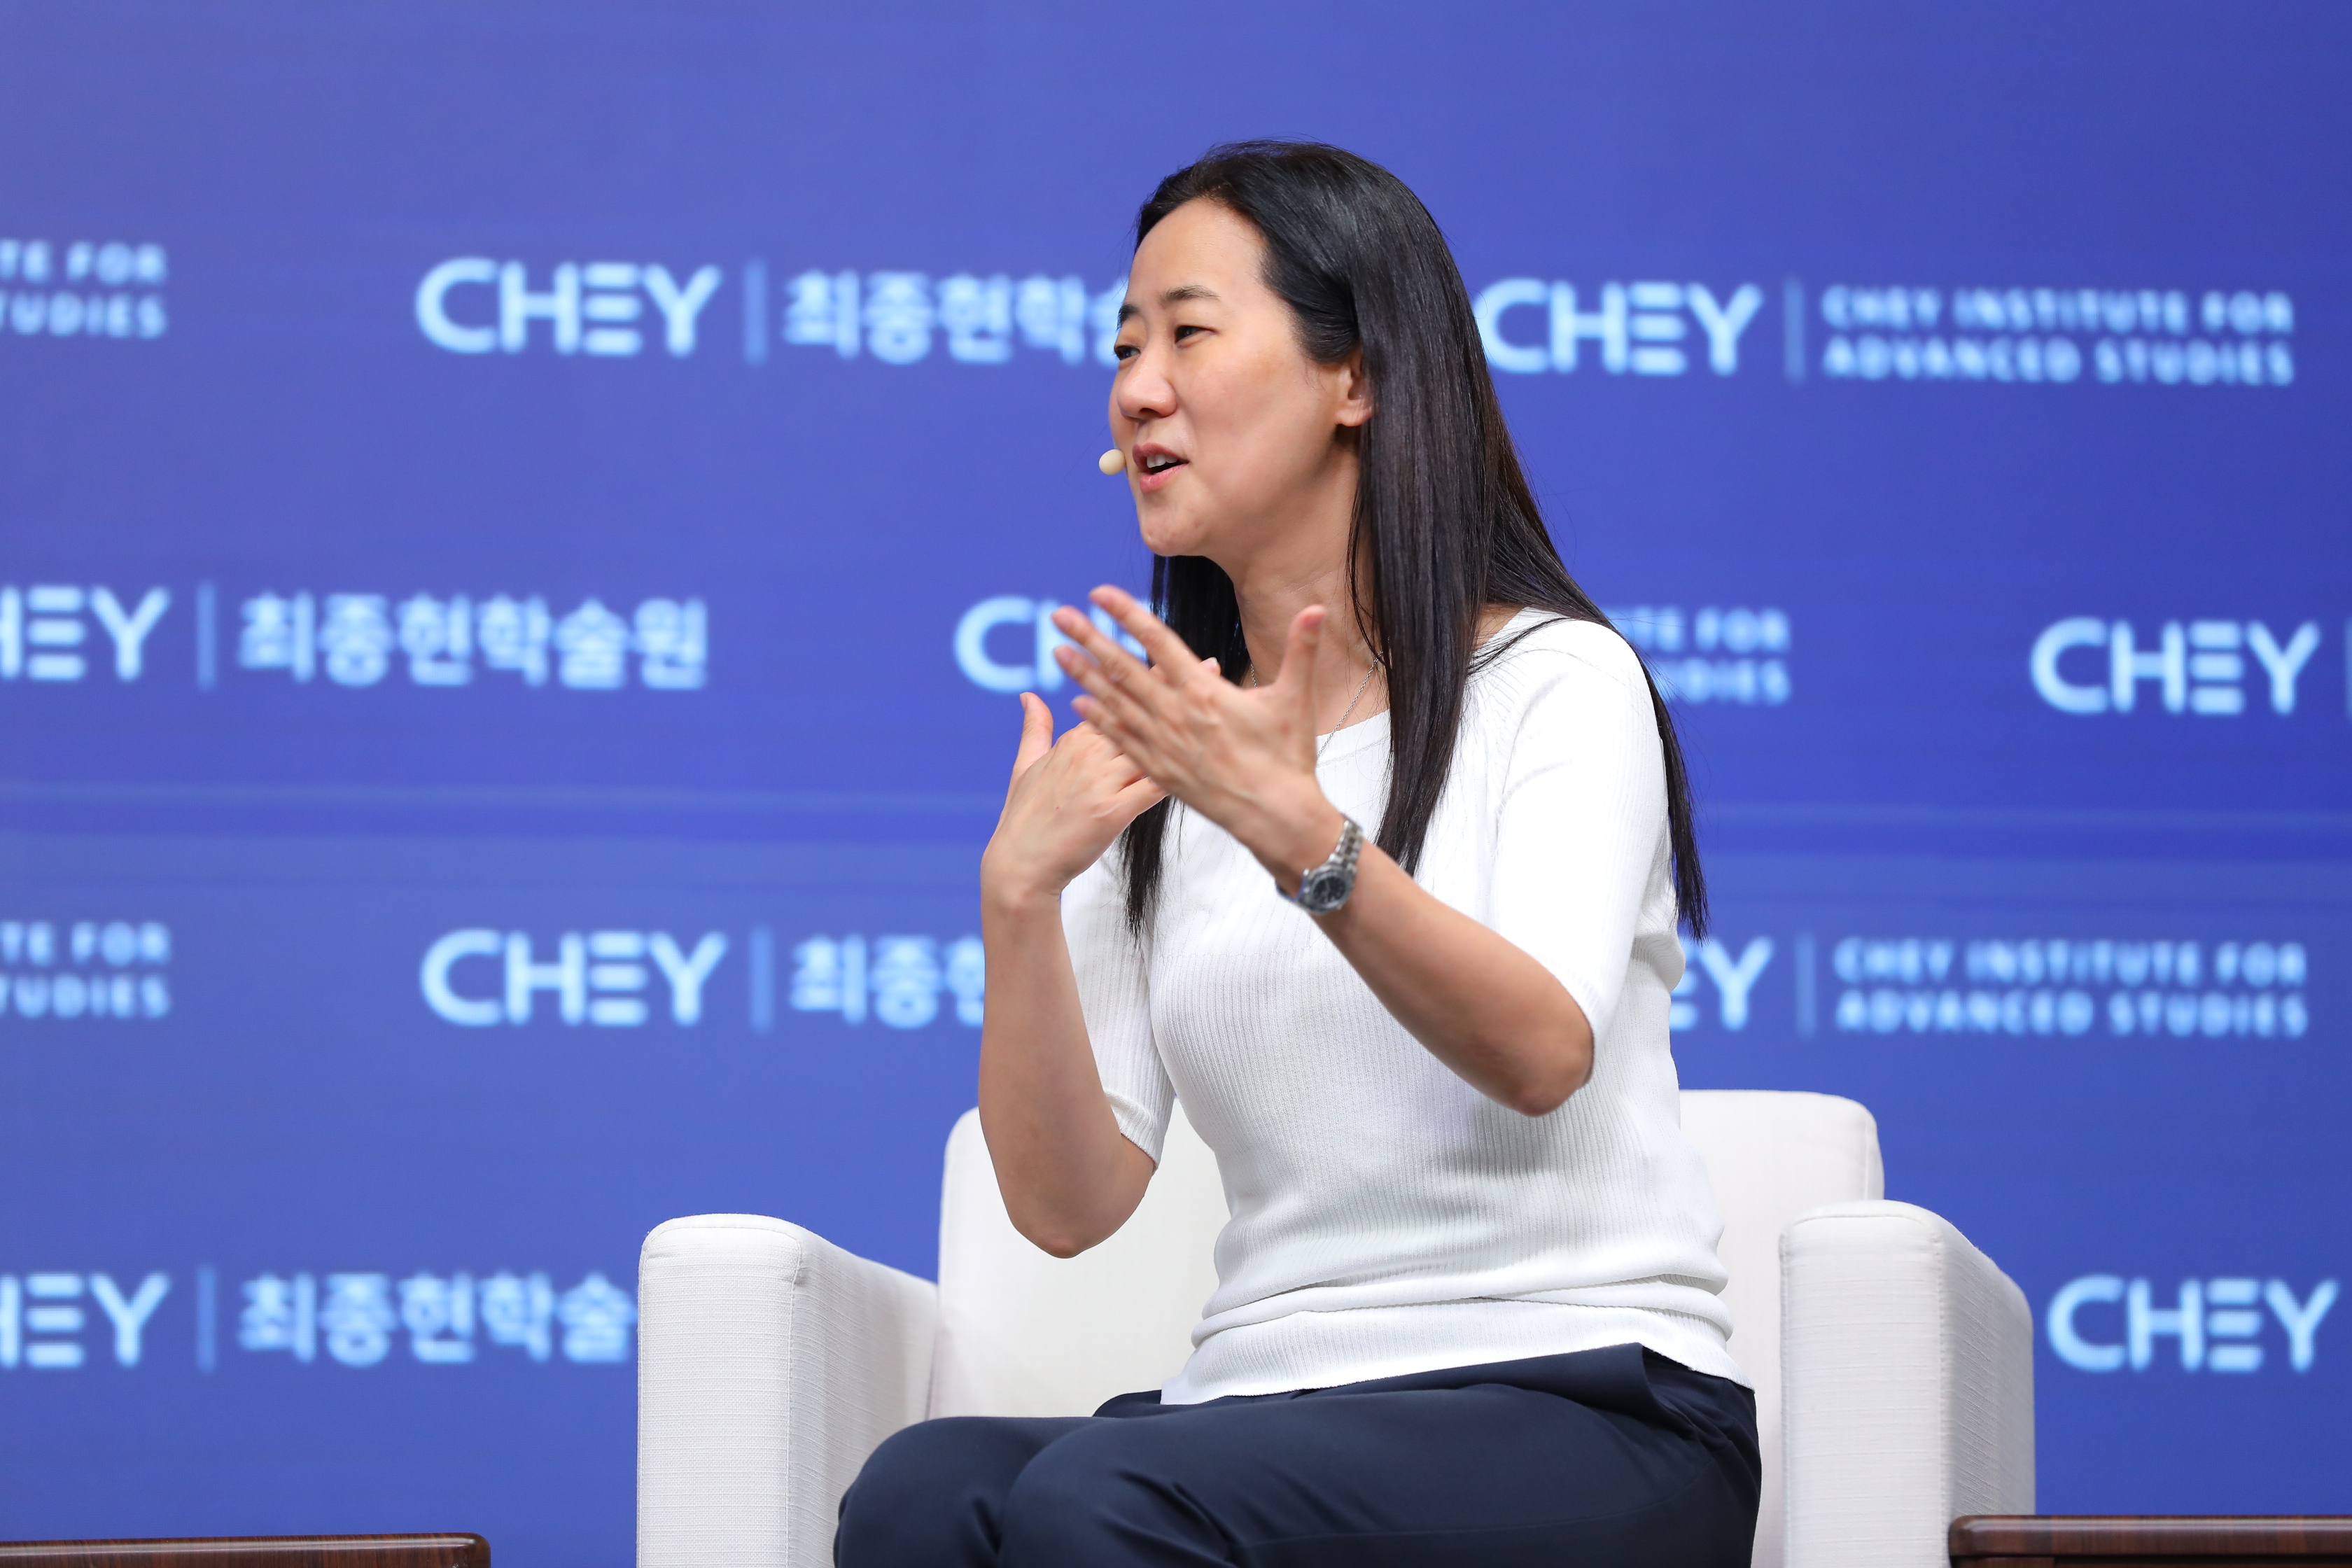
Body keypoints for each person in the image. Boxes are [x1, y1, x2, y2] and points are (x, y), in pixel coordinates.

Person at [835, 141, 1758, 1568]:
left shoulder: (1556, 679)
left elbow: (1540, 1051)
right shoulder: (1168, 752)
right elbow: (1069, 1207)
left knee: (1104, 1500)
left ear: (1357, 378)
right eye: (1125, 347)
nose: (1139, 388)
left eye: (1190, 334)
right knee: (923, 1492)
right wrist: (1017, 897)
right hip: (1264, 1407)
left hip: (1587, 1401)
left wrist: (1299, 834)